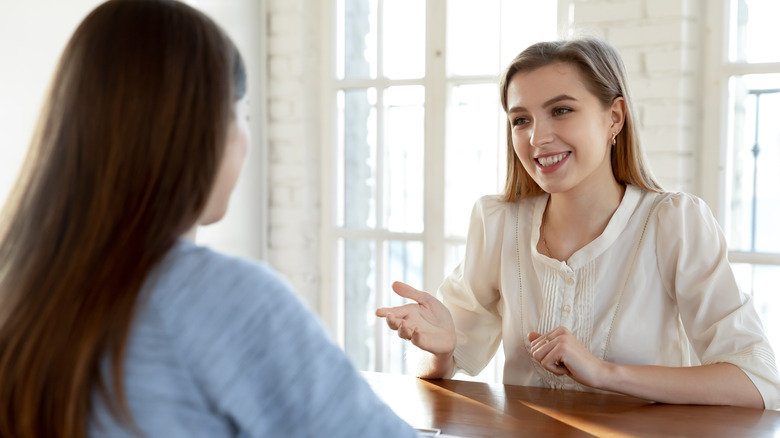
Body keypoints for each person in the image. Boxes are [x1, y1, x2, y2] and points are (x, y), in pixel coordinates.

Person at [0, 1, 418, 437]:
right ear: (201, 128)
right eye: (244, 113)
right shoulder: (224, 301)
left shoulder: (24, 292)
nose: (245, 138)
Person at [376, 37, 780, 410]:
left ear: (615, 118)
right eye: (521, 120)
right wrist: (442, 348)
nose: (536, 138)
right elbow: (439, 370)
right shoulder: (498, 223)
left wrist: (604, 372)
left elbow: (757, 382)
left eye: (561, 110)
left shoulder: (674, 223)